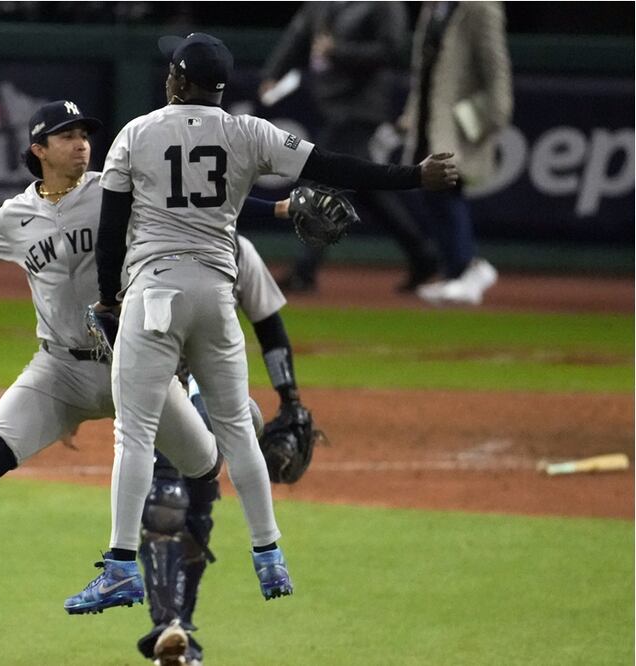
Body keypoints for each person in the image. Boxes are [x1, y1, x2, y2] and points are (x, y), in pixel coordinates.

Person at [78, 31, 456, 619]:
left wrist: (107, 300)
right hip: (217, 292)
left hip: (155, 291)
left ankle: (122, 567)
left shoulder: (137, 132)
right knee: (235, 427)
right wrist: (414, 175)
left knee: (135, 434)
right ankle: (269, 553)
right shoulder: (247, 132)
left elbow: (111, 232)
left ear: (177, 79)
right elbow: (334, 166)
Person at [0, 101, 221, 586]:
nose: (81, 143)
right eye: (67, 135)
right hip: (58, 371)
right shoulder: (16, 215)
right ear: (39, 149)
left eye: (84, 134)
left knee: (205, 464)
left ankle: (208, 407)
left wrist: (279, 207)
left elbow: (193, 199)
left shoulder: (115, 191)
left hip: (134, 362)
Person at [136, 234, 311, 666]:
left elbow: (270, 328)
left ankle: (180, 630)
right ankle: (166, 626)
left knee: (197, 506)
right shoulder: (142, 240)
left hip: (213, 393)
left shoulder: (237, 249)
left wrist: (289, 398)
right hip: (158, 383)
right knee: (164, 502)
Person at [259, 1, 439, 294]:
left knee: (321, 178)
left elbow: (392, 48)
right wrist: (273, 73)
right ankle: (424, 256)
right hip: (331, 103)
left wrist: (337, 51)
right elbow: (299, 34)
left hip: (361, 107)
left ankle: (305, 269)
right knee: (368, 189)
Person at [402, 1, 513, 306]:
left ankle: (468, 270)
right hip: (430, 118)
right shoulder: (434, 7)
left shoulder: (480, 7)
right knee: (431, 191)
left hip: (459, 120)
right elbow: (424, 70)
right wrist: (412, 114)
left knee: (446, 188)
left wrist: (489, 117)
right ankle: (456, 273)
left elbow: (496, 70)